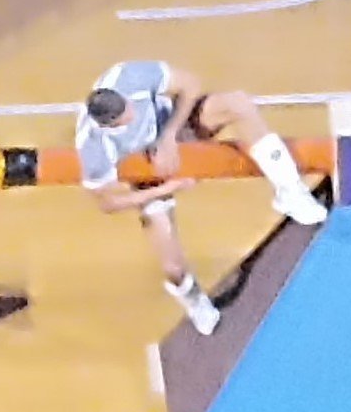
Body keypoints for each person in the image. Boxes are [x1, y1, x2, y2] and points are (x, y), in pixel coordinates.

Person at [75, 60, 328, 335]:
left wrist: (169, 136)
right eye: (126, 116)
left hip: (175, 129)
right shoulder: (93, 145)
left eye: (130, 106)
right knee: (173, 267)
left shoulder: (130, 76)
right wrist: (166, 190)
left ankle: (289, 191)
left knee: (238, 103)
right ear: (109, 124)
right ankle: (195, 301)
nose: (134, 113)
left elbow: (190, 84)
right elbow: (107, 202)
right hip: (149, 175)